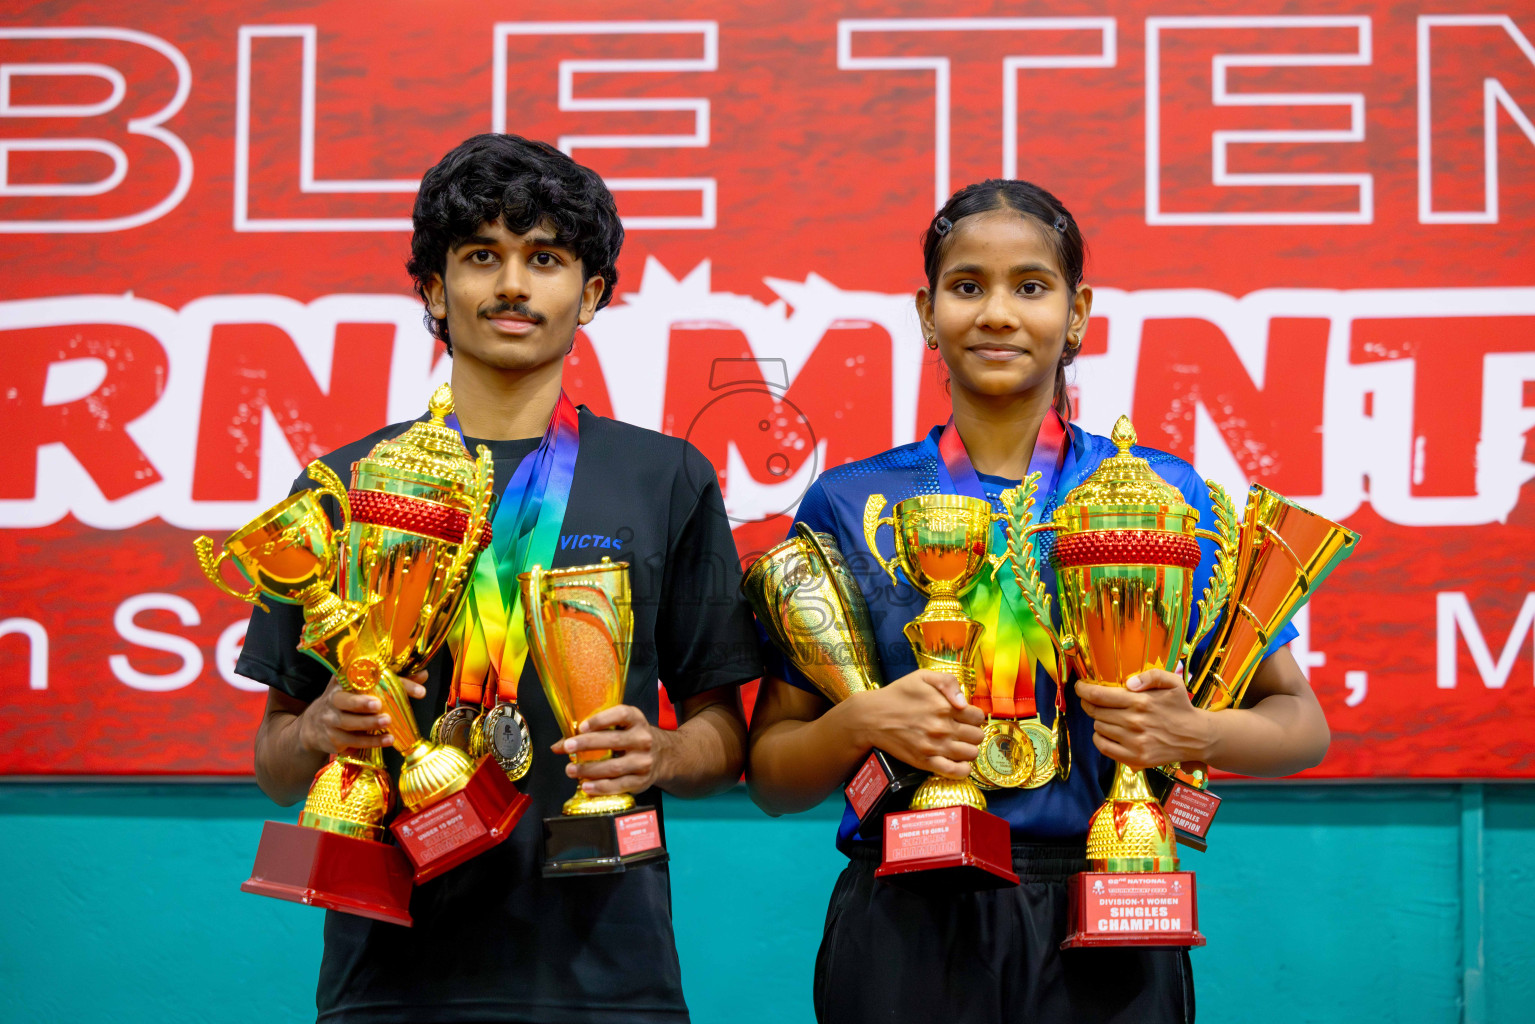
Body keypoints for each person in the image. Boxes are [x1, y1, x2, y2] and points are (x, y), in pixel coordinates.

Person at [744, 179, 1331, 1024]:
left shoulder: (1168, 498)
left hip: (1113, 899)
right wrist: (865, 721)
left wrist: (1194, 732)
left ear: (1078, 311)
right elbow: (772, 776)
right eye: (966, 286)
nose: (995, 313)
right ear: (925, 311)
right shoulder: (854, 500)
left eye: (1030, 285)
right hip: (908, 907)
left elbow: (1300, 724)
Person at [237, 133, 762, 1024]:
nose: (513, 285)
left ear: (590, 294)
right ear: (436, 291)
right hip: (389, 977)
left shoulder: (665, 476)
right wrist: (322, 726)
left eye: (545, 259)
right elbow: (276, 764)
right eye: (482, 257)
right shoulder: (347, 484)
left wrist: (663, 752)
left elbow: (725, 736)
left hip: (609, 969)